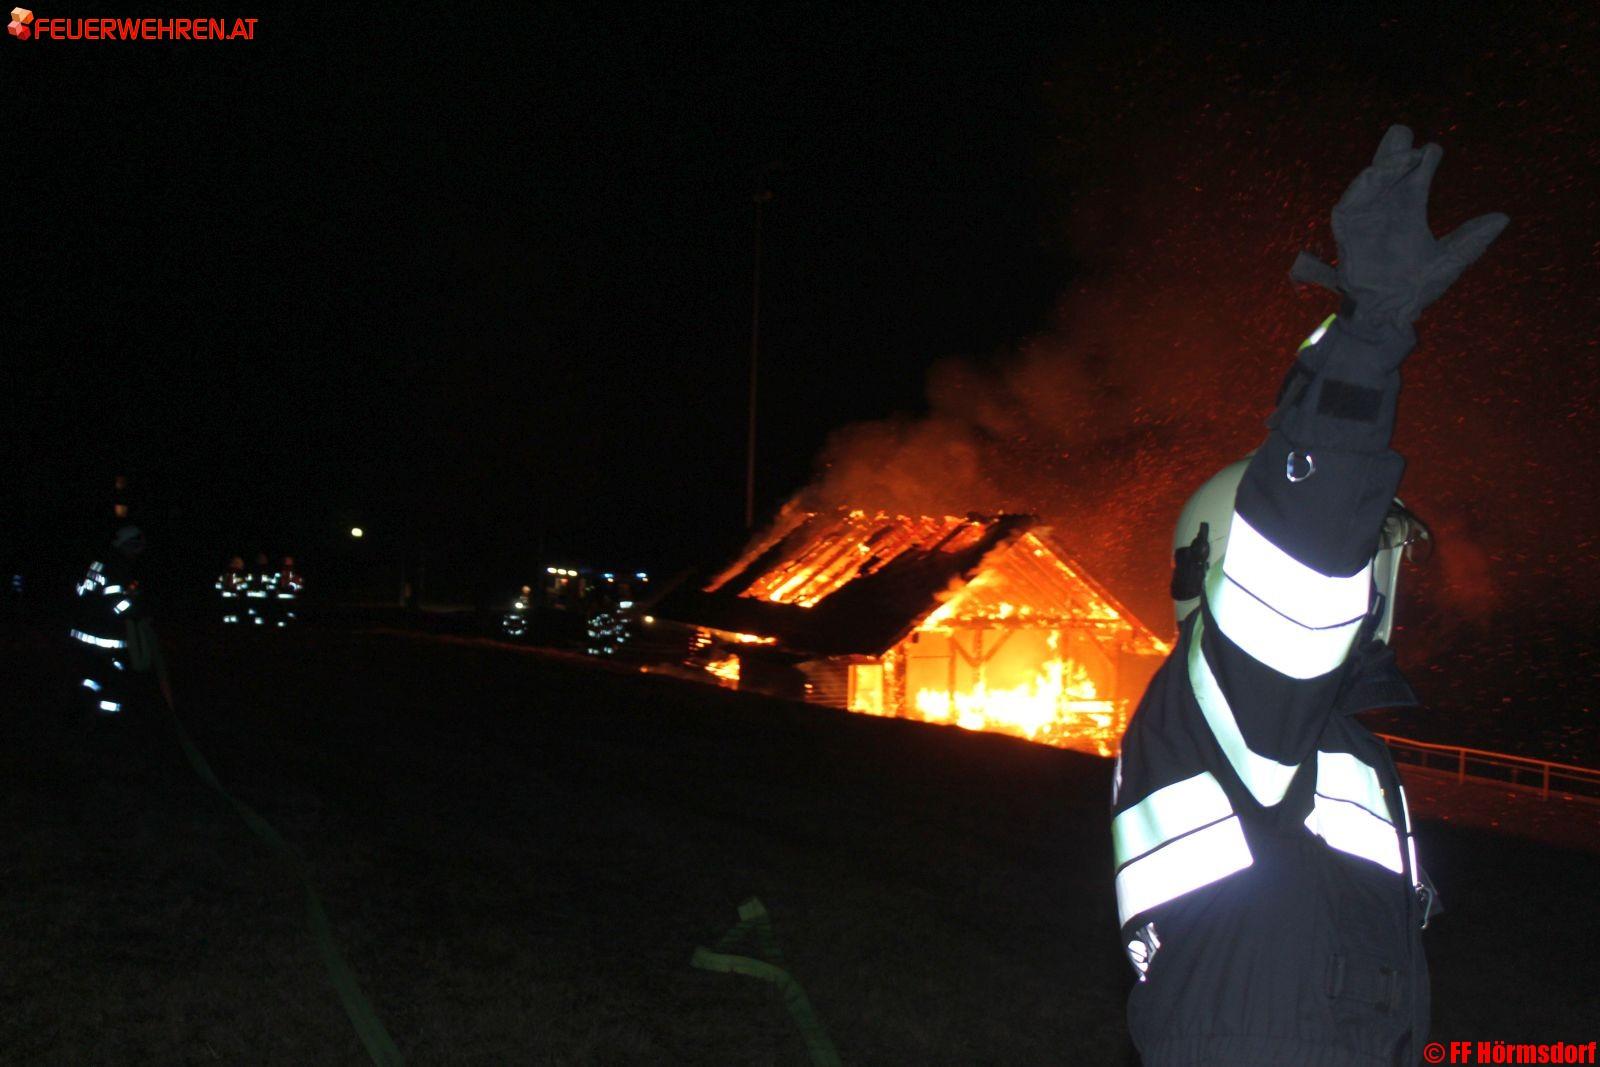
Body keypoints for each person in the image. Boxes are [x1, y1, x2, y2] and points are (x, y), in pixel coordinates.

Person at [1110, 126, 1507, 1065]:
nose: (1381, 575)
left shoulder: (1296, 736)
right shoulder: (1238, 705)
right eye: (1374, 551)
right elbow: (1303, 539)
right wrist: (1364, 342)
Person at [70, 525, 152, 715]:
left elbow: (81, 593)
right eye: (137, 547)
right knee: (113, 682)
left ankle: (82, 711)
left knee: (90, 677)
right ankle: (109, 719)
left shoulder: (97, 563)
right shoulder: (117, 567)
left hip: (83, 635)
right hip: (105, 638)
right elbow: (116, 606)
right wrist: (134, 601)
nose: (139, 553)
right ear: (128, 545)